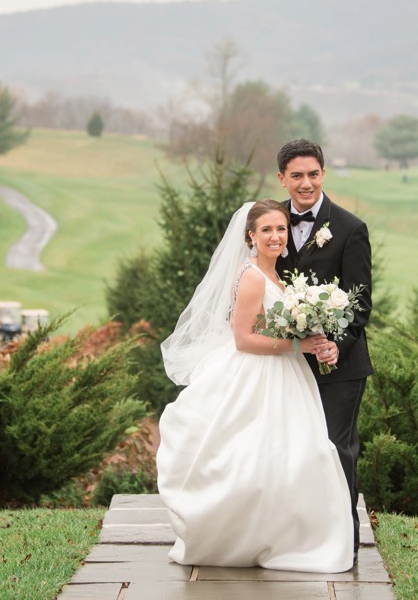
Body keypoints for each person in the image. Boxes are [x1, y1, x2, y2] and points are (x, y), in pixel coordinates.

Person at [156, 199, 354, 573]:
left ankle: (280, 535)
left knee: (292, 456)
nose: (276, 236)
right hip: (255, 374)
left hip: (285, 373)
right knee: (255, 457)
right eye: (266, 230)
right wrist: (299, 345)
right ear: (250, 236)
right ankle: (241, 537)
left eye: (280, 229)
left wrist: (312, 333)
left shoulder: (279, 275)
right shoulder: (250, 277)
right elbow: (244, 339)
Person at [275, 139, 373, 559]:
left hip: (340, 370)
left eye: (313, 174)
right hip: (284, 367)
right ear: (282, 178)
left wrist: (334, 345)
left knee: (335, 452)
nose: (305, 183)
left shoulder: (350, 228)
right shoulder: (269, 221)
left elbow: (360, 303)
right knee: (289, 453)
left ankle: (342, 546)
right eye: (296, 175)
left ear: (323, 174)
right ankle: (295, 542)